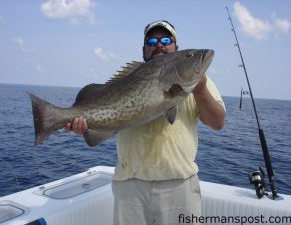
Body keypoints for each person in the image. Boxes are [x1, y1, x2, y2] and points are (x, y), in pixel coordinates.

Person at [66, 20, 225, 225]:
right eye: (152, 40)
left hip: (179, 185)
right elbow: (112, 118)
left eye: (166, 40)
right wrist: (85, 126)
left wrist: (200, 88)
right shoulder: (130, 77)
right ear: (144, 49)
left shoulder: (200, 82)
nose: (159, 44)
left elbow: (218, 122)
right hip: (130, 186)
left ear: (175, 47)